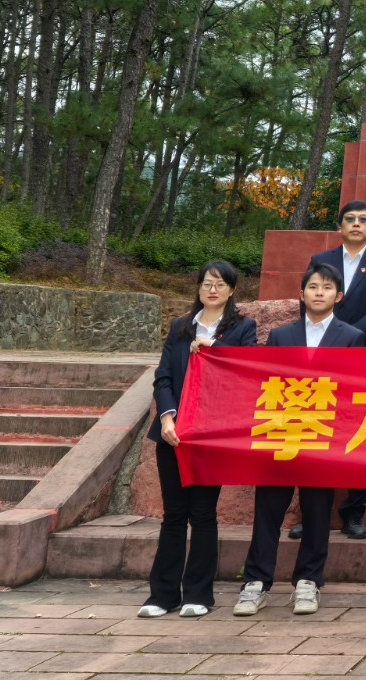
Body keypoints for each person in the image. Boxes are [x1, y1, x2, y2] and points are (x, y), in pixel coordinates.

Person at [234, 263, 364, 618]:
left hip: (324, 436)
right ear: (301, 293)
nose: (319, 292)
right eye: (313, 286)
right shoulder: (281, 335)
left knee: (318, 512)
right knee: (268, 510)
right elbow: (268, 380)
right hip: (282, 432)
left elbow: (354, 389)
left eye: (327, 287)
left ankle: (309, 581)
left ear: (339, 296)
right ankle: (256, 582)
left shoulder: (352, 337)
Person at [139, 261, 257, 619]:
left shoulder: (242, 327)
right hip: (174, 434)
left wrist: (214, 348)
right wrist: (167, 416)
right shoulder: (180, 327)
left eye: (220, 284)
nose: (212, 290)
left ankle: (198, 594)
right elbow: (163, 377)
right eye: (206, 283)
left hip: (210, 435)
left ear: (232, 290)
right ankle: (163, 595)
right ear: (199, 288)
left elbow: (247, 371)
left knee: (203, 514)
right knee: (173, 514)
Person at [306, 200, 366, 541]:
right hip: (322, 357)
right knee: (317, 432)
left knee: (361, 435)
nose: (356, 224)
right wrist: (331, 338)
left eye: (363, 219)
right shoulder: (321, 260)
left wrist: (348, 336)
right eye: (350, 219)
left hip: (364, 355)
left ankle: (354, 513)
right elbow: (311, 301)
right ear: (340, 225)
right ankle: (313, 515)